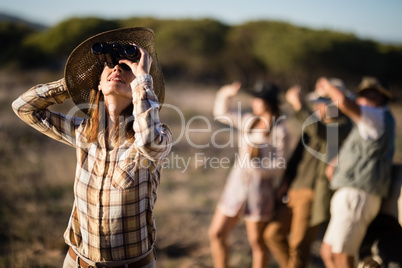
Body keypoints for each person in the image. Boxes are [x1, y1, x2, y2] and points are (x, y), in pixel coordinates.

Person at [12, 27, 172, 268]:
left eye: (127, 67)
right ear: (98, 81)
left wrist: (142, 79)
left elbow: (149, 140)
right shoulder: (83, 132)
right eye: (111, 65)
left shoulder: (159, 136)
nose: (118, 68)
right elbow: (24, 108)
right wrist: (73, 83)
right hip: (77, 262)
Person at [264, 78, 352, 268]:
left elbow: (321, 132)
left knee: (299, 246)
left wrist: (298, 105)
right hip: (293, 190)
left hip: (313, 194)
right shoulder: (316, 123)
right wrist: (285, 184)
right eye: (318, 101)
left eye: (325, 101)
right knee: (272, 234)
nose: (319, 106)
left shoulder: (343, 126)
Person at [208, 81, 289, 268]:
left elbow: (280, 165)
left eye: (258, 99)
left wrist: (255, 166)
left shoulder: (280, 130)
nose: (253, 102)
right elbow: (220, 113)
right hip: (237, 185)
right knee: (217, 233)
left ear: (269, 102)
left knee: (256, 242)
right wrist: (225, 93)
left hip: (259, 190)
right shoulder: (250, 121)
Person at [317, 76, 395, 268]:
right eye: (361, 95)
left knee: (342, 256)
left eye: (369, 95)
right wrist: (338, 164)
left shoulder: (376, 116)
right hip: (350, 193)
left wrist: (327, 86)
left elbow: (343, 102)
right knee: (327, 252)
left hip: (358, 195)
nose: (361, 99)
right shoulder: (370, 122)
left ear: (380, 99)